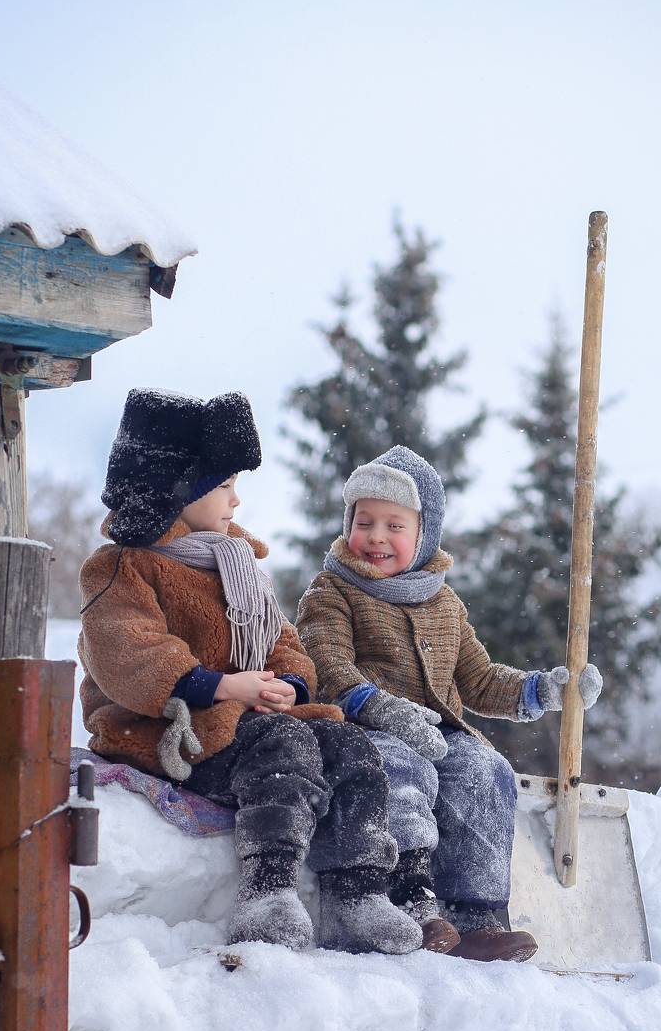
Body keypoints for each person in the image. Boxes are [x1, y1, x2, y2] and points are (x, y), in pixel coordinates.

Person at [78, 389, 422, 957]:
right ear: (179, 490)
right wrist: (220, 685)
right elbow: (127, 651)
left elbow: (281, 639)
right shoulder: (121, 567)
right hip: (168, 728)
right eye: (224, 486)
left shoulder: (235, 563)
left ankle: (357, 894)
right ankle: (269, 890)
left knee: (348, 746)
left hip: (248, 716)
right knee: (283, 745)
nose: (236, 500)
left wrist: (289, 683)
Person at [297, 445, 602, 962]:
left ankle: (475, 914)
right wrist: (379, 707)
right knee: (402, 767)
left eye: (394, 525)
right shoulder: (332, 591)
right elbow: (325, 662)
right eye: (364, 522)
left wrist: (543, 690)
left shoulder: (443, 603)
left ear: (425, 535)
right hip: (363, 728)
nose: (375, 536)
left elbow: (479, 680)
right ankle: (408, 899)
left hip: (440, 733)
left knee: (484, 768)